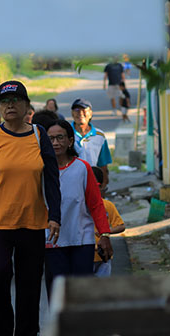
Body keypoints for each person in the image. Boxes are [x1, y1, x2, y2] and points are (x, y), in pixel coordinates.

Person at [0, 81, 61, 336]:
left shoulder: (39, 136)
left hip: (33, 221)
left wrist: (55, 217)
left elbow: (51, 179)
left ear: (27, 107)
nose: (10, 106)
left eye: (16, 100)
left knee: (29, 282)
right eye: (4, 102)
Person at [28, 113, 112, 296]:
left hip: (82, 240)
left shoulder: (82, 168)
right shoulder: (38, 170)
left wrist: (104, 234)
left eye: (60, 137)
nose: (56, 143)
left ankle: (82, 325)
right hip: (51, 241)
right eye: (50, 139)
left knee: (82, 293)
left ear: (70, 140)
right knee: (59, 295)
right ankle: (61, 325)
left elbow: (96, 204)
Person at [70, 98, 113, 190]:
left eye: (84, 110)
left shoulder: (99, 136)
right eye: (77, 110)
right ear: (72, 114)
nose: (80, 113)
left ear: (90, 113)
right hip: (70, 181)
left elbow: (103, 162)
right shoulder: (66, 133)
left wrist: (104, 181)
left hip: (93, 181)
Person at [91, 166, 125, 277]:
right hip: (85, 255)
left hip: (103, 254)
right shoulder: (79, 206)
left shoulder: (107, 205)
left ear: (99, 186)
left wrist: (106, 231)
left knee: (102, 288)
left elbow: (121, 226)